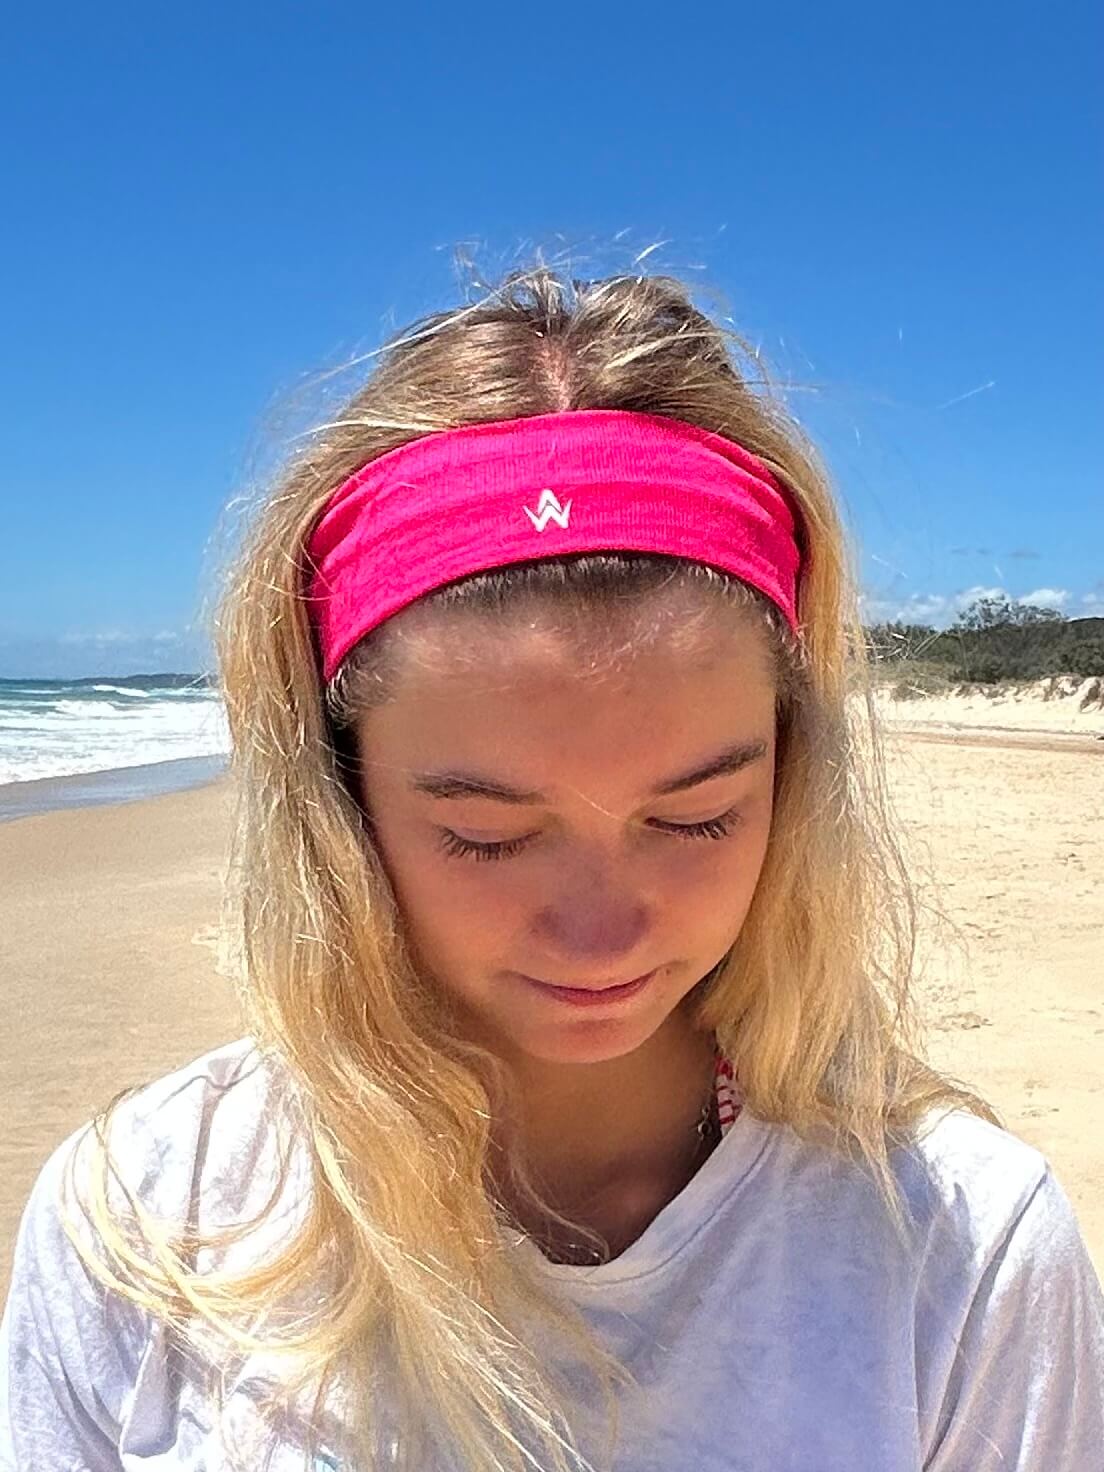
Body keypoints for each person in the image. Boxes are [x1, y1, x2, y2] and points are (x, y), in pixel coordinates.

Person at [1, 267, 1102, 1472]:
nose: (599, 935)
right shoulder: (152, 1225)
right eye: (485, 832)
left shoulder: (961, 1253)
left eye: (694, 817)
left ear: (792, 779)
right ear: (338, 793)